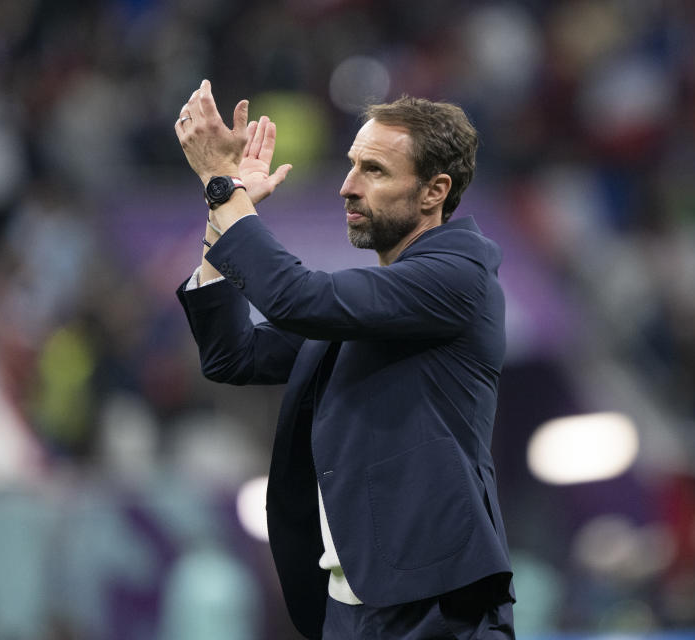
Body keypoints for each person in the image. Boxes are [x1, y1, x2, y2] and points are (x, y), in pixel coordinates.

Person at [174, 79, 515, 639]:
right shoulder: (379, 305)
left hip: (434, 608)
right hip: (352, 609)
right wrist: (224, 207)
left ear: (435, 191)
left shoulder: (459, 276)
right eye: (352, 164)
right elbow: (232, 356)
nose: (347, 187)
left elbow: (295, 298)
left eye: (374, 171)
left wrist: (222, 189)